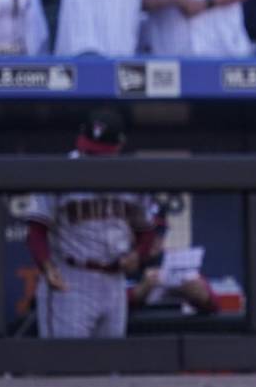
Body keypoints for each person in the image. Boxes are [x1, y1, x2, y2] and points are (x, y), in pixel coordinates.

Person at [22, 111, 156, 339]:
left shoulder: (131, 177)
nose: (92, 157)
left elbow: (146, 231)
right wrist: (47, 267)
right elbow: (36, 231)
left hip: (115, 280)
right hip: (72, 277)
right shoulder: (58, 173)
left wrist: (138, 254)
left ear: (119, 146)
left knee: (111, 366)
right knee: (66, 366)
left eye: (99, 152)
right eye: (89, 149)